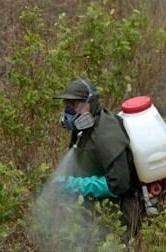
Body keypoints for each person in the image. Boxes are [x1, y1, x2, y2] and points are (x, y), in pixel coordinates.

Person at [53, 78, 142, 238]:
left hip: (121, 213)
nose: (69, 111)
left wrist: (78, 185)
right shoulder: (85, 128)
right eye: (67, 105)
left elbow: (119, 184)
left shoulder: (106, 135)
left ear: (91, 103)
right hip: (96, 210)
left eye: (75, 105)